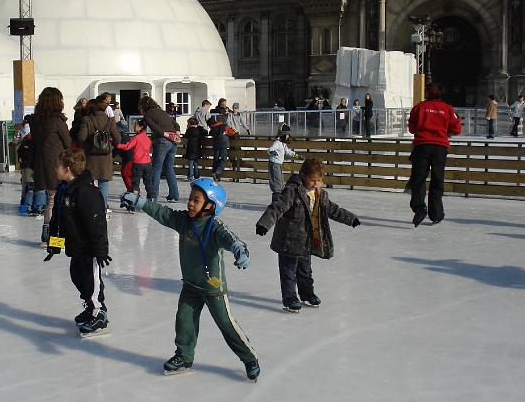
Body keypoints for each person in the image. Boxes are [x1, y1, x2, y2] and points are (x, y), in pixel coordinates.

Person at [121, 179, 260, 381]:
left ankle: (249, 358)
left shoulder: (214, 227)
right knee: (184, 321)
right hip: (191, 285)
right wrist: (140, 201)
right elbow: (162, 213)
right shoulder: (184, 220)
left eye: (196, 200)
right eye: (190, 199)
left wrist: (240, 250)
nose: (190, 204)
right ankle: (184, 357)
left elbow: (231, 239)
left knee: (226, 324)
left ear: (210, 205)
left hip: (213, 288)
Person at [255, 158, 360, 313]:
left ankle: (307, 294)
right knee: (288, 272)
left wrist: (351, 218)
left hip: (306, 241)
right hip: (288, 241)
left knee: (305, 271)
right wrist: (264, 223)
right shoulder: (292, 191)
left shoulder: (320, 194)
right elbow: (277, 207)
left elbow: (333, 209)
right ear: (303, 176)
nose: (316, 183)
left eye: (319, 180)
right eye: (312, 180)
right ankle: (290, 298)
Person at [46, 149, 111, 336]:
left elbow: (96, 223)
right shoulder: (64, 189)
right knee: (77, 276)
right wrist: (55, 244)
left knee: (91, 280)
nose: (54, 169)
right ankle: (91, 307)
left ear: (67, 169)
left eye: (57, 166)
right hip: (75, 246)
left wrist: (100, 250)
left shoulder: (86, 192)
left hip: (89, 248)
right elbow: (57, 220)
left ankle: (100, 312)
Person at [407, 83, 462, 227]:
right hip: (440, 148)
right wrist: (444, 132)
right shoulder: (447, 109)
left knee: (418, 179)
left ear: (427, 93)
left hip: (422, 146)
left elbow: (412, 128)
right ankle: (436, 214)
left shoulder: (419, 107)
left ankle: (419, 208)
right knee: (437, 180)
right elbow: (457, 129)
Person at [31, 87, 72, 244]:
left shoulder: (36, 121)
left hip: (41, 165)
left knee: (51, 200)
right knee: (57, 201)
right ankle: (54, 237)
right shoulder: (57, 121)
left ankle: (47, 230)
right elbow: (68, 143)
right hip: (58, 167)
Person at [77, 99, 121, 211]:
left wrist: (88, 144)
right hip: (105, 156)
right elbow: (117, 138)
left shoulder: (86, 119)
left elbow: (81, 137)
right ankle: (102, 208)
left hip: (91, 155)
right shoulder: (109, 120)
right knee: (103, 183)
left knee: (89, 182)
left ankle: (90, 207)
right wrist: (110, 146)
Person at [139, 96, 181, 202]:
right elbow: (176, 124)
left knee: (156, 169)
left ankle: (153, 197)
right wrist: (176, 133)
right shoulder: (162, 111)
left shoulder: (148, 114)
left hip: (163, 141)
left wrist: (165, 134)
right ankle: (174, 195)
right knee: (169, 168)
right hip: (173, 142)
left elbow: (155, 128)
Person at [116, 119, 153, 200]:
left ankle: (134, 200)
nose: (133, 127)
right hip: (147, 163)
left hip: (138, 164)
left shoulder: (136, 138)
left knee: (135, 183)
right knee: (148, 182)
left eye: (135, 125)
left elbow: (127, 146)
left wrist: (118, 145)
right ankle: (151, 198)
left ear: (141, 127)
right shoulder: (147, 138)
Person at [268, 132, 301, 202]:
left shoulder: (283, 144)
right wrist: (272, 152)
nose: (288, 137)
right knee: (277, 182)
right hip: (274, 164)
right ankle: (276, 200)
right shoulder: (277, 143)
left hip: (278, 164)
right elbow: (270, 149)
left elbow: (287, 151)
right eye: (287, 135)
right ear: (283, 135)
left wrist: (296, 155)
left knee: (281, 182)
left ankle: (280, 200)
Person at [184, 117, 206, 182]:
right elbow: (205, 132)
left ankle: (190, 176)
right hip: (197, 147)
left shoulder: (189, 130)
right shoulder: (199, 129)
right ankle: (196, 175)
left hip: (190, 147)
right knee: (195, 163)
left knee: (190, 163)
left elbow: (186, 136)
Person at [208, 116, 229, 182]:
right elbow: (232, 132)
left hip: (216, 145)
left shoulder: (213, 129)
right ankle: (218, 171)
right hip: (223, 144)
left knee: (216, 159)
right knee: (223, 159)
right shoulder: (224, 126)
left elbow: (210, 133)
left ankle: (215, 173)